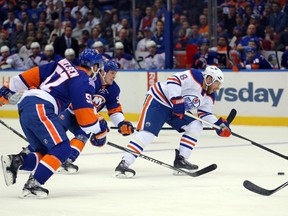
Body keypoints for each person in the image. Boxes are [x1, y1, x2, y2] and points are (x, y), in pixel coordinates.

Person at [0, 49, 109, 198]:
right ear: (95, 67)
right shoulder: (85, 79)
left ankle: (15, 162)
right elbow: (86, 120)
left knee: (48, 153)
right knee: (62, 149)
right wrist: (99, 129)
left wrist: (8, 89)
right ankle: (33, 185)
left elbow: (33, 75)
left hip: (26, 104)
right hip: (41, 106)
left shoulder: (63, 64)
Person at [114, 66, 231, 178]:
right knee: (148, 134)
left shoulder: (210, 96)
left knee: (195, 125)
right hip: (159, 101)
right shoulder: (195, 76)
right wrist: (176, 99)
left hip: (176, 110)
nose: (218, 87)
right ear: (209, 79)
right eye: (217, 83)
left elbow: (204, 114)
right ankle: (124, 164)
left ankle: (181, 160)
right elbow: (174, 80)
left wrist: (218, 125)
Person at [57, 59, 134, 173]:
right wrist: (95, 116)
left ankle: (67, 160)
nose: (114, 76)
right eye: (112, 73)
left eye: (115, 73)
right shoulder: (90, 80)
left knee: (85, 134)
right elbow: (80, 100)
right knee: (53, 135)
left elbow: (114, 110)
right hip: (69, 111)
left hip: (84, 118)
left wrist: (122, 122)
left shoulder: (113, 89)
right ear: (103, 72)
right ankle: (26, 155)